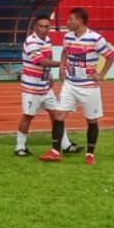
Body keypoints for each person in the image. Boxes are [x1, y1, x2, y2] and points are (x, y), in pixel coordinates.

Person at [41, 8, 114, 166]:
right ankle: (55, 151)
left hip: (89, 87)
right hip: (70, 84)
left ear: (79, 21)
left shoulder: (95, 38)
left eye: (70, 19)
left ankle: (90, 153)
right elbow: (64, 52)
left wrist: (101, 74)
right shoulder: (68, 37)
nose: (67, 22)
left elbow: (111, 56)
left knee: (91, 120)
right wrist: (62, 66)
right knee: (58, 115)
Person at [15, 15, 79, 157]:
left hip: (45, 87)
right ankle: (20, 147)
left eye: (46, 26)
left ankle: (65, 144)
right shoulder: (31, 42)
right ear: (35, 27)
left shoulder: (47, 40)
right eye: (41, 26)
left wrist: (49, 75)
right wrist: (62, 64)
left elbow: (47, 59)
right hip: (31, 87)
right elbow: (41, 61)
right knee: (28, 116)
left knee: (57, 114)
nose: (44, 29)